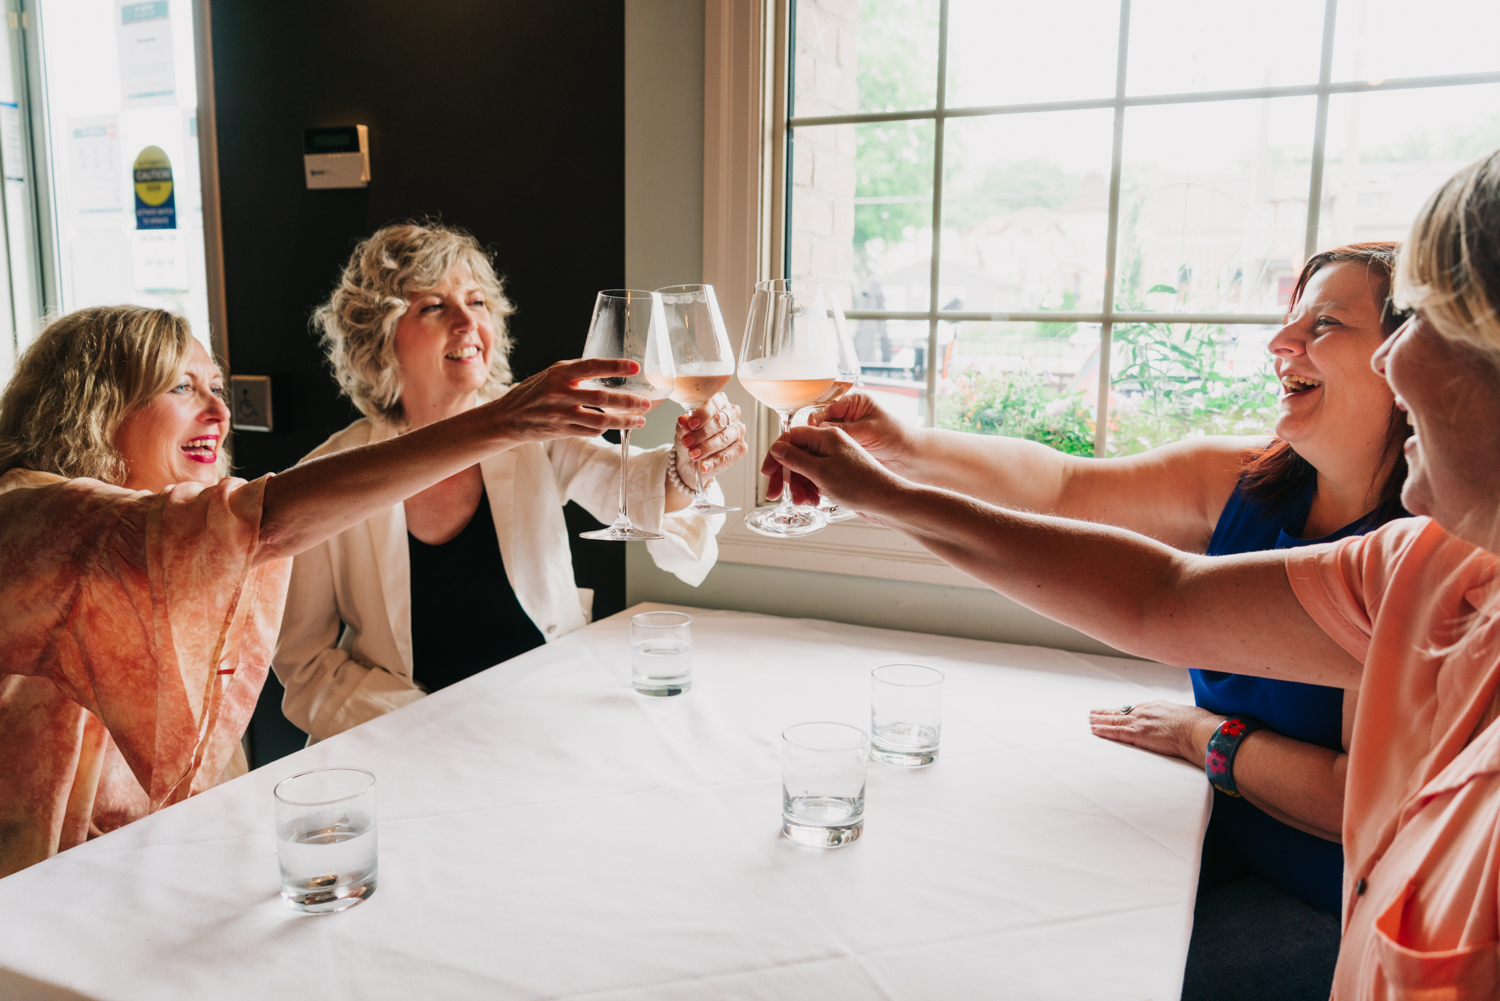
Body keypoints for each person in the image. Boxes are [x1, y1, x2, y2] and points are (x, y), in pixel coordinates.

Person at [767, 149, 1500, 999]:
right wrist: (902, 468)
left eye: (1423, 327)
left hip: (1304, 885)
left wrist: (1205, 738)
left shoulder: (1423, 553)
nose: (1394, 365)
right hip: (1221, 833)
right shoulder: (1418, 562)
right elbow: (1145, 581)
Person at [0, 304, 655, 877]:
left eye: (218, 388)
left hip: (159, 859)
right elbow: (263, 528)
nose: (221, 412)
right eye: (181, 386)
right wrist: (506, 419)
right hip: (38, 887)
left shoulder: (171, 549)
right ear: (94, 402)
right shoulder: (28, 512)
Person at [272, 224, 748, 742]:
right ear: (380, 337)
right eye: (433, 306)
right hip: (404, 744)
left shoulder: (533, 432)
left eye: (477, 302)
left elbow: (634, 490)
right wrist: (422, 725)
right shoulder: (327, 476)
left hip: (545, 720)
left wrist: (688, 462)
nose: (466, 323)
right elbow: (306, 663)